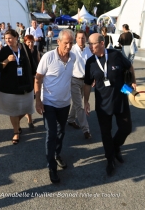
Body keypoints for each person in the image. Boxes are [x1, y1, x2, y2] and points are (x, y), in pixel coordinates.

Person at [84, 33, 137, 177]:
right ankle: (110, 159)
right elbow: (88, 84)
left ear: (102, 43)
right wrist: (86, 101)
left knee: (126, 128)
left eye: (92, 44)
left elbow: (130, 66)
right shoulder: (90, 62)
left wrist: (133, 81)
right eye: (88, 44)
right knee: (105, 133)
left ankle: (115, 147)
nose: (89, 47)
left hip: (120, 99)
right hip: (103, 104)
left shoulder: (116, 55)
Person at [34, 29, 76, 184]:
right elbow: (37, 79)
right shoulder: (48, 57)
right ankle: (52, 166)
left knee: (61, 132)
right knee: (51, 133)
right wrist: (38, 101)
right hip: (49, 102)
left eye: (71, 43)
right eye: (66, 43)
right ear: (58, 42)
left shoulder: (73, 58)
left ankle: (57, 154)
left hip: (65, 103)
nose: (69, 46)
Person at [0, 29, 35, 145]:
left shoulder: (24, 48)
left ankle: (16, 123)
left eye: (10, 38)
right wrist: (7, 60)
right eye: (6, 39)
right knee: (13, 111)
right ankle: (16, 132)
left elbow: (31, 63)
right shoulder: (5, 50)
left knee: (27, 107)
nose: (8, 41)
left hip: (25, 83)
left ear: (16, 37)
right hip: (10, 86)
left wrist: (35, 76)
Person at [68, 30, 93, 139]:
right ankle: (86, 129)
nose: (81, 40)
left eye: (83, 38)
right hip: (74, 80)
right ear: (75, 39)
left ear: (86, 39)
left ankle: (70, 119)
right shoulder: (72, 50)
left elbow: (92, 65)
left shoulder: (88, 50)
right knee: (79, 105)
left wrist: (94, 78)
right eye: (79, 38)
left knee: (76, 102)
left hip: (86, 81)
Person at [23, 34, 40, 129]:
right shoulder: (22, 52)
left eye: (32, 42)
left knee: (36, 96)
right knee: (29, 99)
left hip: (35, 77)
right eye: (28, 42)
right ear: (25, 42)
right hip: (26, 78)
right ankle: (30, 119)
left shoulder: (35, 51)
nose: (30, 44)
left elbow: (40, 63)